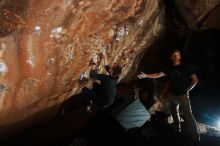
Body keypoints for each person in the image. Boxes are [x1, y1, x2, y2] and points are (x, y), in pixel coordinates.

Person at [137, 49, 200, 142]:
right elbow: (158, 74)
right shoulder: (169, 68)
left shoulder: (185, 67)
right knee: (174, 115)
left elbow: (195, 80)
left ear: (180, 57)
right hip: (172, 95)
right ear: (171, 57)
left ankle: (196, 135)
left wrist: (187, 90)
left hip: (183, 96)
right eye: (174, 55)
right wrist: (146, 75)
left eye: (177, 55)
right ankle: (177, 133)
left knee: (188, 115)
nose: (176, 57)